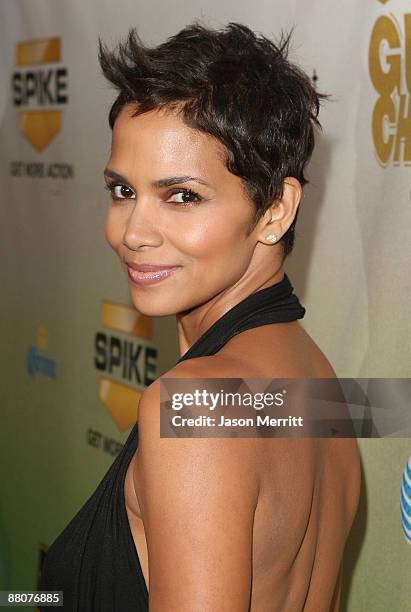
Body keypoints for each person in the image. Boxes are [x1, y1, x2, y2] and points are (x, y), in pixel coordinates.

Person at [40, 21, 361, 611]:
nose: (132, 233)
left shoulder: (194, 405)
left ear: (275, 210)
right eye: (122, 191)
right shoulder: (320, 386)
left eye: (182, 196)